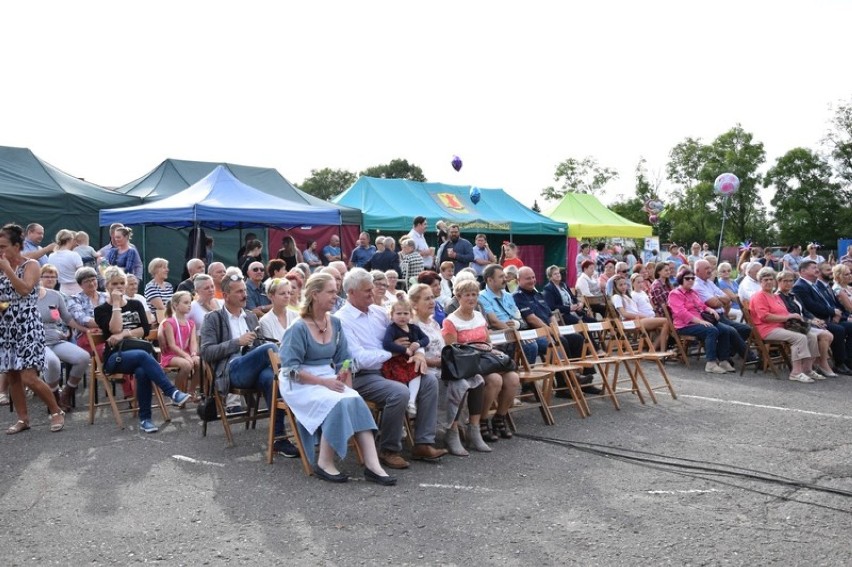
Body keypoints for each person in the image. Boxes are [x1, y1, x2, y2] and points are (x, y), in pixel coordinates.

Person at [278, 273, 394, 484]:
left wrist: (347, 386)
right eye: (330, 291)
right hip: (300, 383)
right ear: (314, 294)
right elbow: (289, 371)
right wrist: (325, 382)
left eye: (335, 291)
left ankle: (373, 465)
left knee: (354, 400)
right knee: (339, 401)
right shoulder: (298, 328)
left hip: (327, 378)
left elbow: (344, 360)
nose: (335, 295)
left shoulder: (336, 323)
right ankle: (324, 463)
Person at [336, 268, 447, 469]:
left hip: (391, 369)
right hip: (362, 375)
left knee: (428, 380)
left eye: (372, 288)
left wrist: (419, 351)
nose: (372, 293)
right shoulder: (342, 319)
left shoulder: (379, 312)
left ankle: (423, 442)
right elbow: (358, 359)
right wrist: (393, 353)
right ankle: (389, 449)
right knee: (399, 392)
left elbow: (412, 332)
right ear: (351, 292)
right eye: (367, 290)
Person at [200, 272, 296, 457]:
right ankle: (294, 381)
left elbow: (260, 349)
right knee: (270, 348)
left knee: (270, 378)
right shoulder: (214, 318)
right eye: (239, 292)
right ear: (226, 296)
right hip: (232, 371)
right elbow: (206, 352)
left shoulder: (251, 317)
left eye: (245, 290)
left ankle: (279, 439)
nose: (245, 295)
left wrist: (256, 346)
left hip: (254, 368)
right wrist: (237, 342)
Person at [95, 266, 193, 433]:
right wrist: (117, 305)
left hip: (139, 354)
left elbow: (145, 330)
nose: (118, 287)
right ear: (107, 286)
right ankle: (171, 392)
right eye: (114, 284)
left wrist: (124, 333)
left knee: (142, 371)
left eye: (121, 283)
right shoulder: (101, 310)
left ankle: (146, 420)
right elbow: (114, 329)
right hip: (115, 357)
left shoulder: (135, 304)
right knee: (142, 356)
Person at [0, 224, 65, 434]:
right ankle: (23, 419)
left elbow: (25, 290)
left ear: (17, 245)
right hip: (6, 326)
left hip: (27, 325)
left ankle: (56, 411)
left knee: (29, 376)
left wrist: (8, 270)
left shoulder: (32, 265)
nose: (0, 251)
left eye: (3, 246)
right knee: (12, 376)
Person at [408, 283, 483, 457]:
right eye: (426, 299)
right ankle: (452, 431)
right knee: (460, 384)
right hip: (426, 372)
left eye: (432, 298)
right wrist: (438, 362)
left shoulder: (433, 322)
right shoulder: (412, 325)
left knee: (477, 379)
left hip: (443, 367)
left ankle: (474, 429)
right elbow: (412, 357)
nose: (432, 302)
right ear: (414, 303)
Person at [443, 278, 520, 447]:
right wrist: (475, 349)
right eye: (467, 295)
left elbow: (487, 341)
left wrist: (488, 349)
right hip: (467, 363)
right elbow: (452, 351)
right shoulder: (451, 321)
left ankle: (499, 417)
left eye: (474, 295)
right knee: (495, 380)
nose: (471, 298)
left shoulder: (478, 315)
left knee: (513, 378)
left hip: (484, 360)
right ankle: (480, 422)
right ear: (458, 297)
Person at [513, 266, 599, 394]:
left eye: (533, 277)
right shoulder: (518, 296)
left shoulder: (537, 294)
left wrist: (556, 329)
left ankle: (585, 380)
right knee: (561, 341)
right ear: (518, 280)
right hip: (535, 334)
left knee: (578, 339)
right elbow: (532, 319)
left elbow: (550, 314)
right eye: (528, 278)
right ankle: (563, 386)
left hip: (550, 330)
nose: (532, 280)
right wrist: (551, 331)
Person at [750, 267, 821, 383]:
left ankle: (807, 369)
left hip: (781, 327)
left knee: (812, 336)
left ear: (774, 281)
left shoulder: (775, 296)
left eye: (771, 279)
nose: (768, 282)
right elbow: (765, 317)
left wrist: (794, 316)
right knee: (799, 338)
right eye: (765, 279)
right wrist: (789, 317)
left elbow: (785, 312)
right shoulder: (759, 296)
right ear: (760, 282)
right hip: (767, 329)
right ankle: (796, 373)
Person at [37, 265, 90, 411]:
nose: (50, 279)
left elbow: (67, 318)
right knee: (53, 362)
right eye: (46, 276)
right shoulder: (27, 296)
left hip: (55, 339)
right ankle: (54, 395)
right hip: (36, 343)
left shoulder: (55, 295)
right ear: (38, 278)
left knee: (83, 357)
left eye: (53, 277)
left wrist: (85, 330)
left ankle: (67, 392)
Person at [667, 269, 736, 374]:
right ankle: (711, 363)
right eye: (687, 278)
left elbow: (702, 306)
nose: (691, 280)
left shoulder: (693, 292)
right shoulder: (675, 294)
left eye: (693, 278)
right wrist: (699, 321)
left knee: (725, 330)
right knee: (711, 330)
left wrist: (710, 310)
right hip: (685, 325)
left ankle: (723, 360)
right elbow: (681, 313)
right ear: (681, 279)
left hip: (700, 321)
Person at [793, 259, 852, 375]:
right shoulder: (800, 286)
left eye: (817, 268)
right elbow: (811, 306)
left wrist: (839, 314)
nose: (817, 270)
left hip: (828, 317)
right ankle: (840, 363)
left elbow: (830, 303)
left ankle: (848, 360)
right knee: (839, 330)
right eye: (813, 268)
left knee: (850, 326)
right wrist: (832, 312)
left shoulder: (815, 285)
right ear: (803, 271)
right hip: (817, 319)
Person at [776, 270, 837, 377]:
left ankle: (818, 362)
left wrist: (815, 319)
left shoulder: (793, 295)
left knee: (828, 335)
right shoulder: (778, 297)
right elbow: (790, 314)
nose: (788, 283)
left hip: (803, 323)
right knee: (822, 336)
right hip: (792, 325)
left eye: (791, 281)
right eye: (785, 281)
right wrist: (810, 321)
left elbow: (804, 310)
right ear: (778, 282)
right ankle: (816, 364)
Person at [479, 263, 539, 365]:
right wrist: (515, 332)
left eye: (504, 276)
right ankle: (525, 378)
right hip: (501, 334)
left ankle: (526, 374)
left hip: (517, 330)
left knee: (546, 341)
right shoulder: (482, 297)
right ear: (489, 280)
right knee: (531, 346)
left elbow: (517, 315)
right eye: (501, 277)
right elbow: (494, 322)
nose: (505, 279)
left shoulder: (508, 295)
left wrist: (518, 326)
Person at [381, 297, 429, 418]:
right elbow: (386, 344)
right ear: (391, 315)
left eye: (405, 313)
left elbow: (426, 339)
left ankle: (411, 401)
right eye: (398, 313)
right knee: (400, 383)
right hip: (395, 361)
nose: (402, 316)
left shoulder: (414, 328)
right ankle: (400, 420)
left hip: (409, 361)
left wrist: (418, 344)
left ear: (411, 315)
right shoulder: (392, 329)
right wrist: (404, 349)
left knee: (416, 371)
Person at [610, 275, 670, 351]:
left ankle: (654, 349)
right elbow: (624, 314)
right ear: (615, 287)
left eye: (625, 284)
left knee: (667, 324)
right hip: (631, 322)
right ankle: (660, 351)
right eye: (620, 285)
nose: (623, 287)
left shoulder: (626, 296)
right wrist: (642, 316)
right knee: (666, 321)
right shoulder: (616, 297)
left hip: (637, 320)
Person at [158, 291, 200, 395]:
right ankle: (176, 393)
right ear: (176, 305)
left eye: (190, 302)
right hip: (171, 355)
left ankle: (191, 391)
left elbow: (193, 342)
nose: (189, 305)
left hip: (186, 354)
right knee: (187, 365)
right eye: (185, 303)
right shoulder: (169, 322)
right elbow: (172, 345)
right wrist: (186, 355)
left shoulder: (191, 323)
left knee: (200, 363)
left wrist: (193, 353)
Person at [66, 266, 108, 354]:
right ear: (80, 285)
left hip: (108, 334)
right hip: (87, 337)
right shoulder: (74, 299)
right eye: (87, 281)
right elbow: (83, 320)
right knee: (108, 352)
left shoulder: (107, 296)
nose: (91, 283)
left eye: (93, 279)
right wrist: (108, 325)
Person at [259, 278, 299, 342]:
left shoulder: (297, 316)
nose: (287, 296)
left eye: (289, 293)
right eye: (282, 293)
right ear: (271, 296)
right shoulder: (265, 321)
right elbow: (271, 348)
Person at [46, 229, 83, 295]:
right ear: (69, 240)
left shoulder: (51, 256)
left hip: (62, 291)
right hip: (78, 290)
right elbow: (82, 274)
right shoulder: (74, 255)